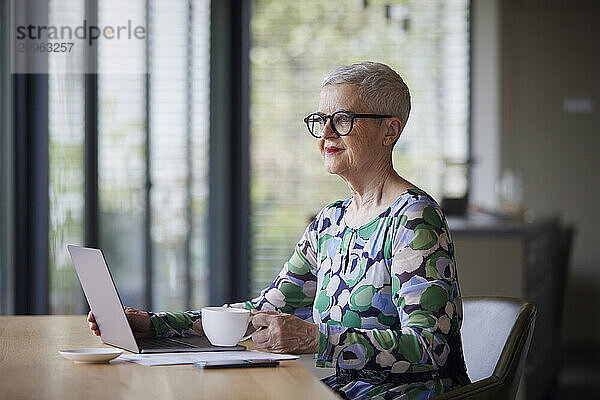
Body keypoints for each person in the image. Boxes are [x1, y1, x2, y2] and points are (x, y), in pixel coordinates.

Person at [89, 61, 470, 399]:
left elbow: (432, 348)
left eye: (342, 119)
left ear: (390, 131)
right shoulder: (330, 222)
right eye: (321, 121)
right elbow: (262, 311)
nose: (325, 136)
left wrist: (316, 339)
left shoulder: (414, 218)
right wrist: (156, 325)